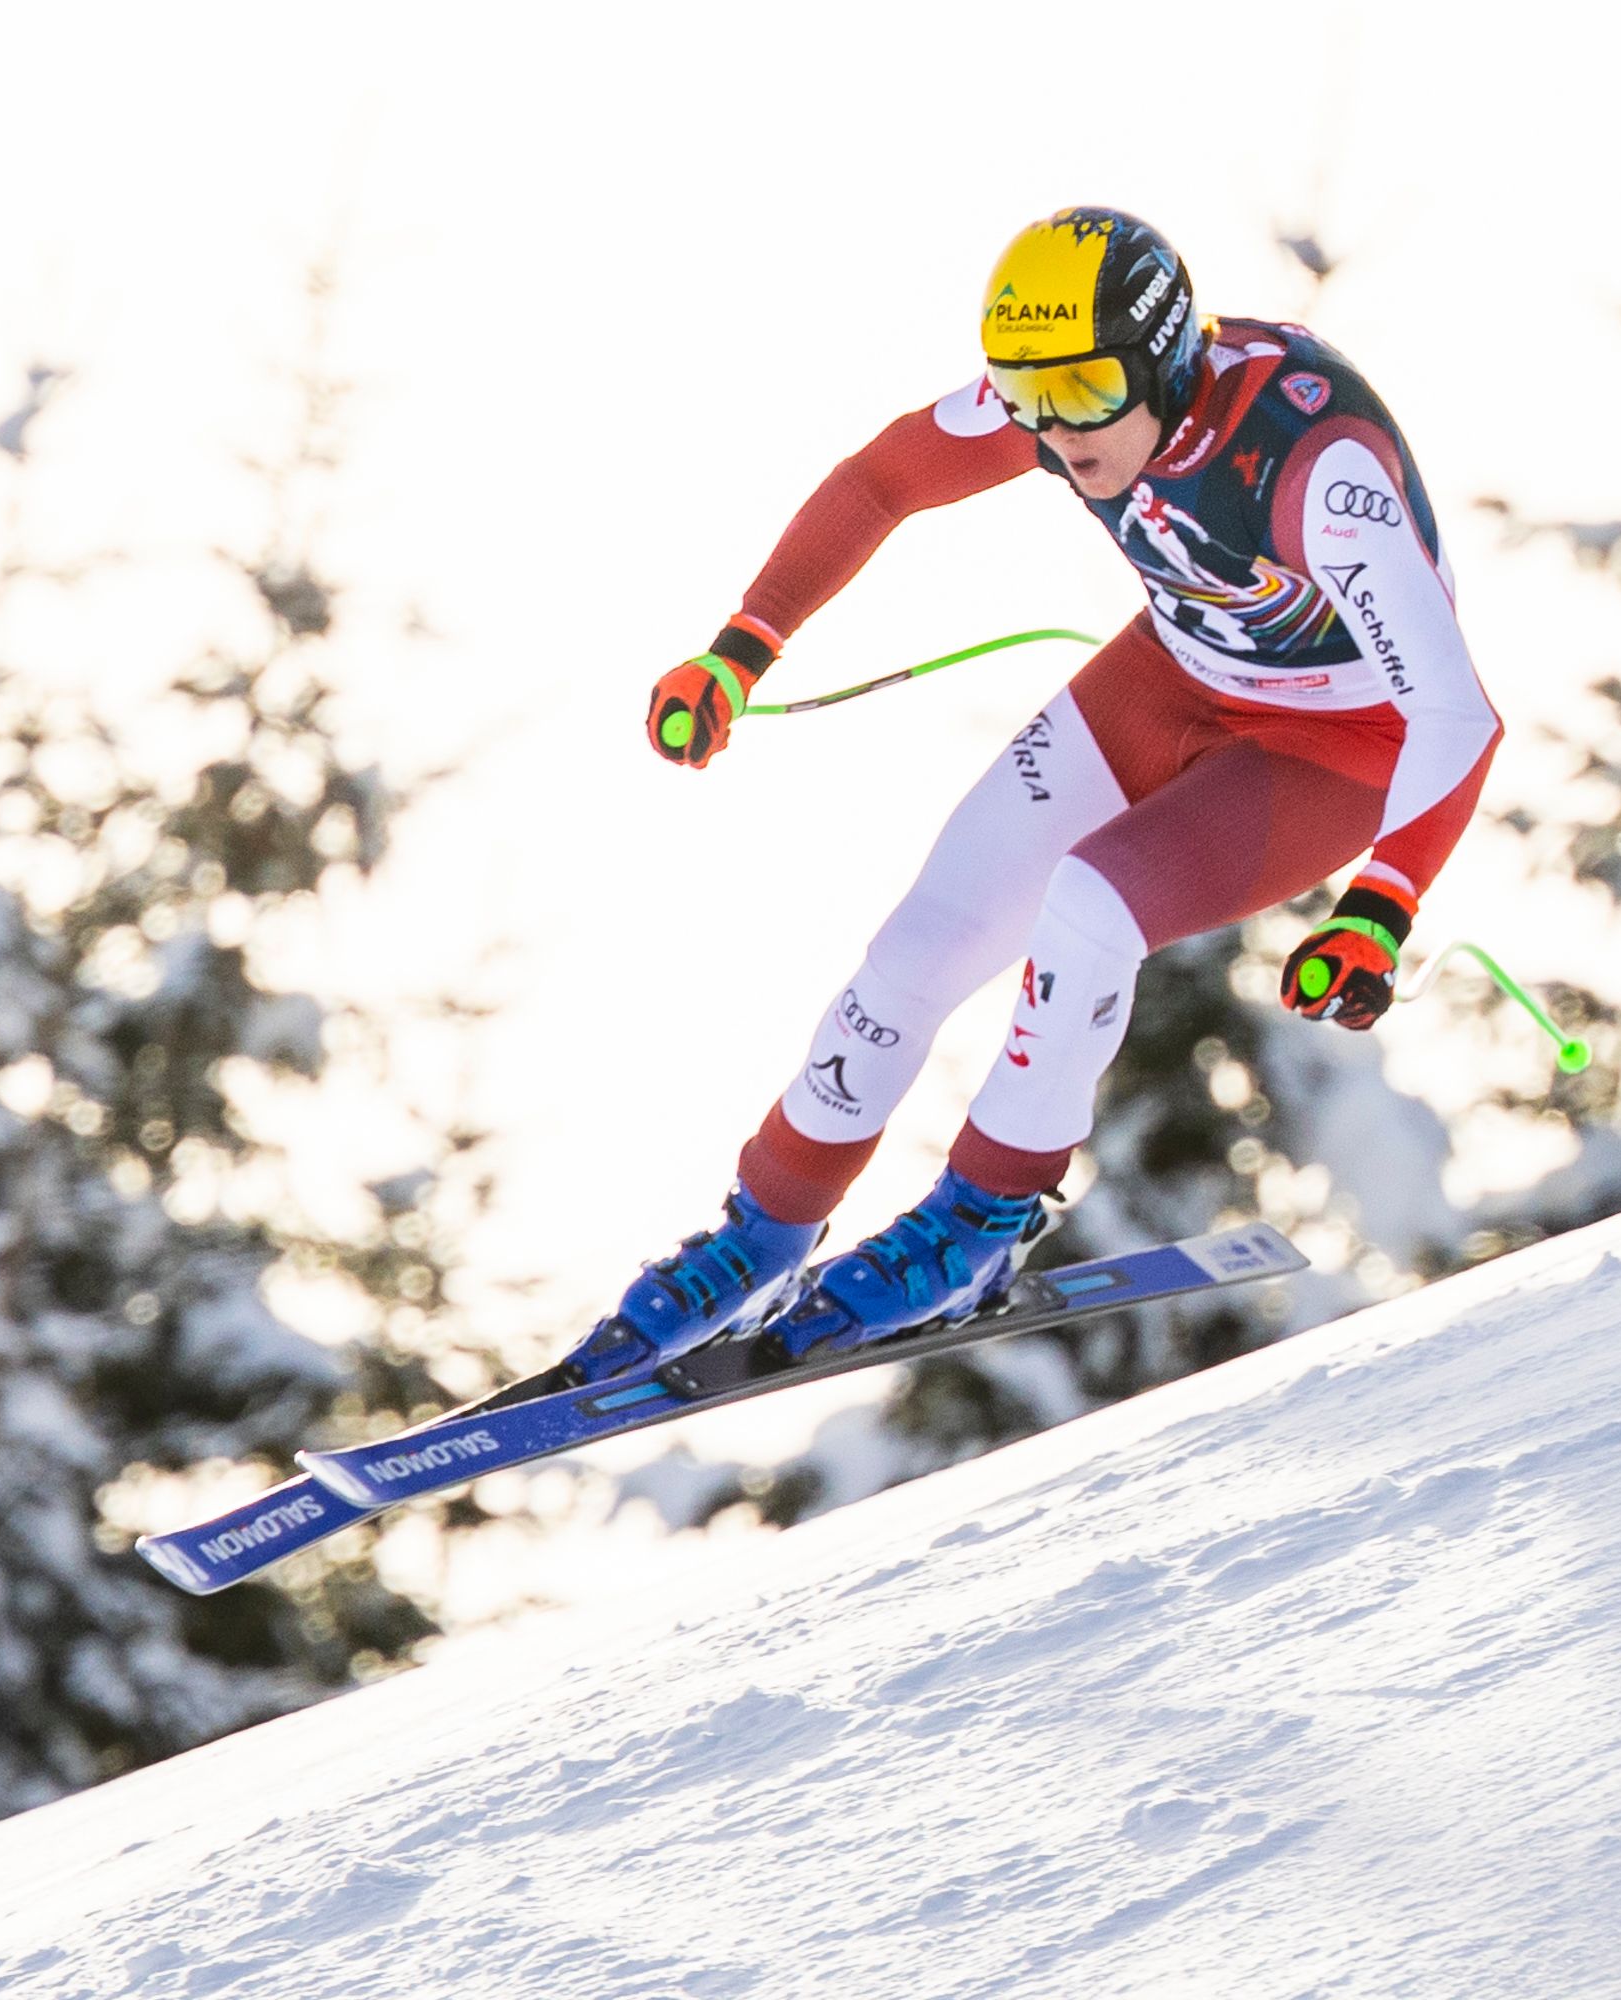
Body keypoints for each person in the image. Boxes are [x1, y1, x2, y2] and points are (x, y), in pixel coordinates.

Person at [565, 204, 1502, 1382]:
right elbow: (880, 480)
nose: (1056, 430)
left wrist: (1382, 902)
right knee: (919, 945)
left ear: (1166, 359)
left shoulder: (1315, 465)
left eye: (1084, 391)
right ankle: (762, 1234)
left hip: (1337, 744)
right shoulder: (1065, 399)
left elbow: (1456, 712)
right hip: (1175, 676)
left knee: (1091, 907)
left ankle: (978, 1223)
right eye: (1025, 395)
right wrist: (742, 647)